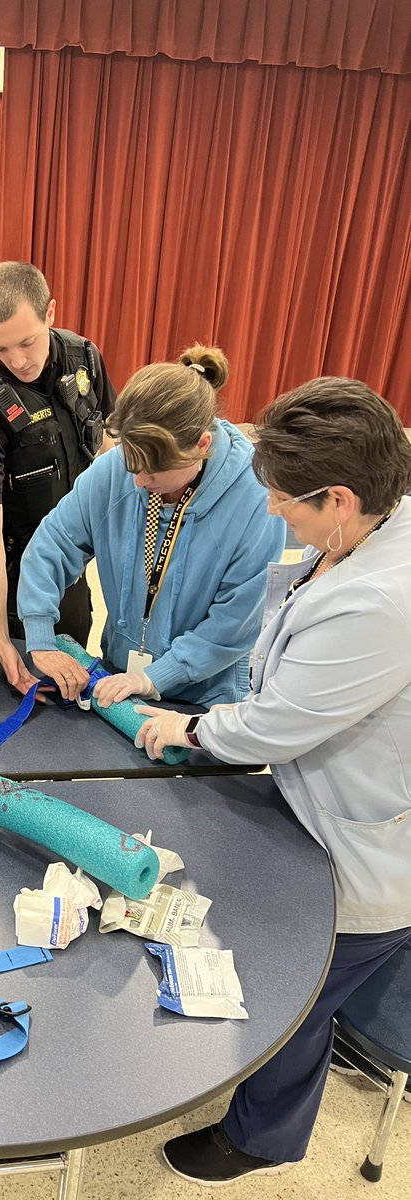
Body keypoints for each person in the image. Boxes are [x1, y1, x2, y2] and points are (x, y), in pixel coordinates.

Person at [131, 377, 411, 1184]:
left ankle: (258, 1140)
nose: (274, 512)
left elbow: (280, 722)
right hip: (324, 805)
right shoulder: (362, 541)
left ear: (342, 497)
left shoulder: (380, 600)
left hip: (364, 857)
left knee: (298, 998)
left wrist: (188, 726)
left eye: (288, 499)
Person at [18, 344, 286, 707]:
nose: (139, 481)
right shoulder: (114, 473)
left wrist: (155, 677)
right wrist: (40, 638)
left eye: (154, 470)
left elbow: (234, 622)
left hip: (206, 696)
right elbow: (51, 546)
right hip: (121, 677)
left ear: (201, 445)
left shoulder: (255, 501)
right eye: (132, 463)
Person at [0, 262, 115, 695]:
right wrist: (2, 642)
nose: (19, 361)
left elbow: (108, 445)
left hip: (73, 565)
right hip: (12, 569)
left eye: (27, 342)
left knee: (70, 691)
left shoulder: (85, 359)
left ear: (51, 313)